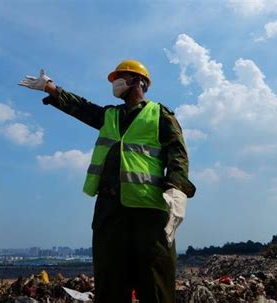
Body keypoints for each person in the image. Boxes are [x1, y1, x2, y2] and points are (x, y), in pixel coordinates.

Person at [19, 60, 196, 303]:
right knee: (110, 281)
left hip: (150, 210)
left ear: (137, 81)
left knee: (155, 280)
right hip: (110, 211)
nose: (115, 84)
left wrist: (177, 188)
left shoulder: (159, 114)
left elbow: (178, 152)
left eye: (120, 78)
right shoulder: (109, 115)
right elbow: (82, 107)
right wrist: (51, 88)